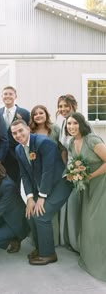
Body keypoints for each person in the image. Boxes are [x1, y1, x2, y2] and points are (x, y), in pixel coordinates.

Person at [11, 119, 72, 265]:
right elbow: (24, 175)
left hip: (61, 184)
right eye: (14, 133)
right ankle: (40, 249)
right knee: (30, 214)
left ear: (28, 129)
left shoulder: (43, 142)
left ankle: (49, 254)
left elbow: (48, 171)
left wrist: (42, 197)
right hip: (42, 187)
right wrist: (30, 198)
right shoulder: (18, 149)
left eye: (21, 131)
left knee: (41, 215)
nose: (18, 135)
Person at [66, 112, 106, 281]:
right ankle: (90, 256)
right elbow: (72, 163)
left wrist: (90, 176)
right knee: (88, 223)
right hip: (87, 188)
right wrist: (72, 174)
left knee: (98, 223)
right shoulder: (71, 142)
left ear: (81, 124)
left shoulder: (92, 140)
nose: (71, 127)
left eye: (75, 123)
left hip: (102, 184)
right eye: (68, 124)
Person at [29, 104, 66, 246]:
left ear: (46, 114)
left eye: (41, 113)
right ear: (32, 117)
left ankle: (53, 240)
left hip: (54, 173)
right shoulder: (30, 132)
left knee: (50, 207)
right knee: (39, 207)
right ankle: (38, 240)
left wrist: (64, 168)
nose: (38, 116)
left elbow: (62, 149)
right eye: (35, 114)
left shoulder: (55, 129)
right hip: (38, 174)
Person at [56, 94, 80, 250]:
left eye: (66, 106)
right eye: (60, 106)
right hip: (69, 169)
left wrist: (78, 168)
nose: (63, 109)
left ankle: (78, 240)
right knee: (66, 204)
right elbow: (64, 148)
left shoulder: (79, 121)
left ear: (73, 106)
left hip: (80, 169)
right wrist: (67, 166)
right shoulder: (64, 123)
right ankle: (68, 238)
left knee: (75, 204)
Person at [0, 86, 30, 185]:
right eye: (5, 94)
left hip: (17, 154)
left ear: (15, 96)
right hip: (1, 155)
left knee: (15, 184)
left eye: (10, 94)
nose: (8, 96)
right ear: (1, 96)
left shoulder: (24, 113)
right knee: (0, 183)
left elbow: (29, 132)